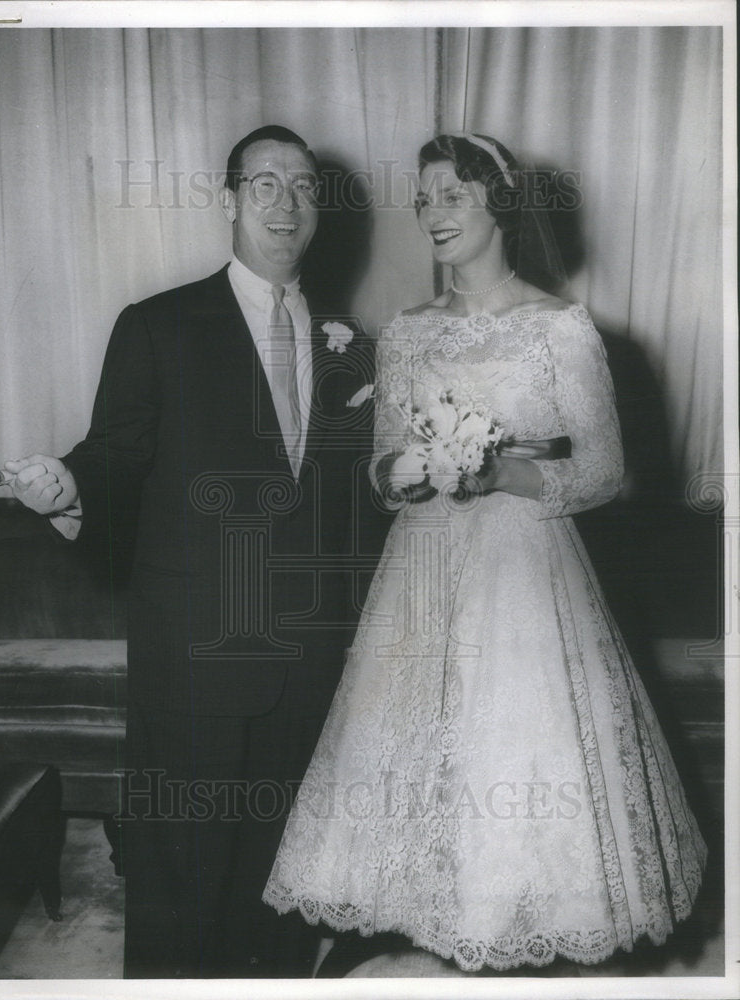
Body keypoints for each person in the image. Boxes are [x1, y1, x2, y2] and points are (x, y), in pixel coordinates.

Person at [263, 133, 707, 975]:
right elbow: (380, 465)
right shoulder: (406, 333)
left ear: (497, 203)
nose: (433, 213)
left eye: (452, 194)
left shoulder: (560, 329)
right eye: (423, 199)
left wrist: (499, 471)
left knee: (517, 748)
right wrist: (410, 470)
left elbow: (607, 471)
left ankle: (511, 921)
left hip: (524, 565)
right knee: (403, 748)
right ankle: (425, 921)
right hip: (422, 568)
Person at [0, 125, 377, 978]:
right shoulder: (158, 325)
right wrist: (68, 487)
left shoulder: (351, 345)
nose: (287, 202)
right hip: (195, 654)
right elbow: (115, 456)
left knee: (285, 885)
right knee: (184, 885)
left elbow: (357, 507)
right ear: (230, 199)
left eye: (305, 187)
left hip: (312, 660)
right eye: (266, 183)